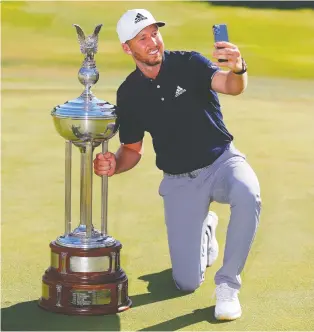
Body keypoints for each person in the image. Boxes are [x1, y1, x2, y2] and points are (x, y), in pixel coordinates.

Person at [94, 8, 261, 321]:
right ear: (127, 48)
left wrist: (239, 68)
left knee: (248, 191)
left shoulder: (189, 62)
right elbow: (131, 149)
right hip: (179, 179)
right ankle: (206, 229)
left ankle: (227, 286)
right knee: (185, 282)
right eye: (142, 38)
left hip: (222, 161)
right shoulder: (128, 93)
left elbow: (231, 86)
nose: (152, 41)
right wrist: (113, 164)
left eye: (155, 32)